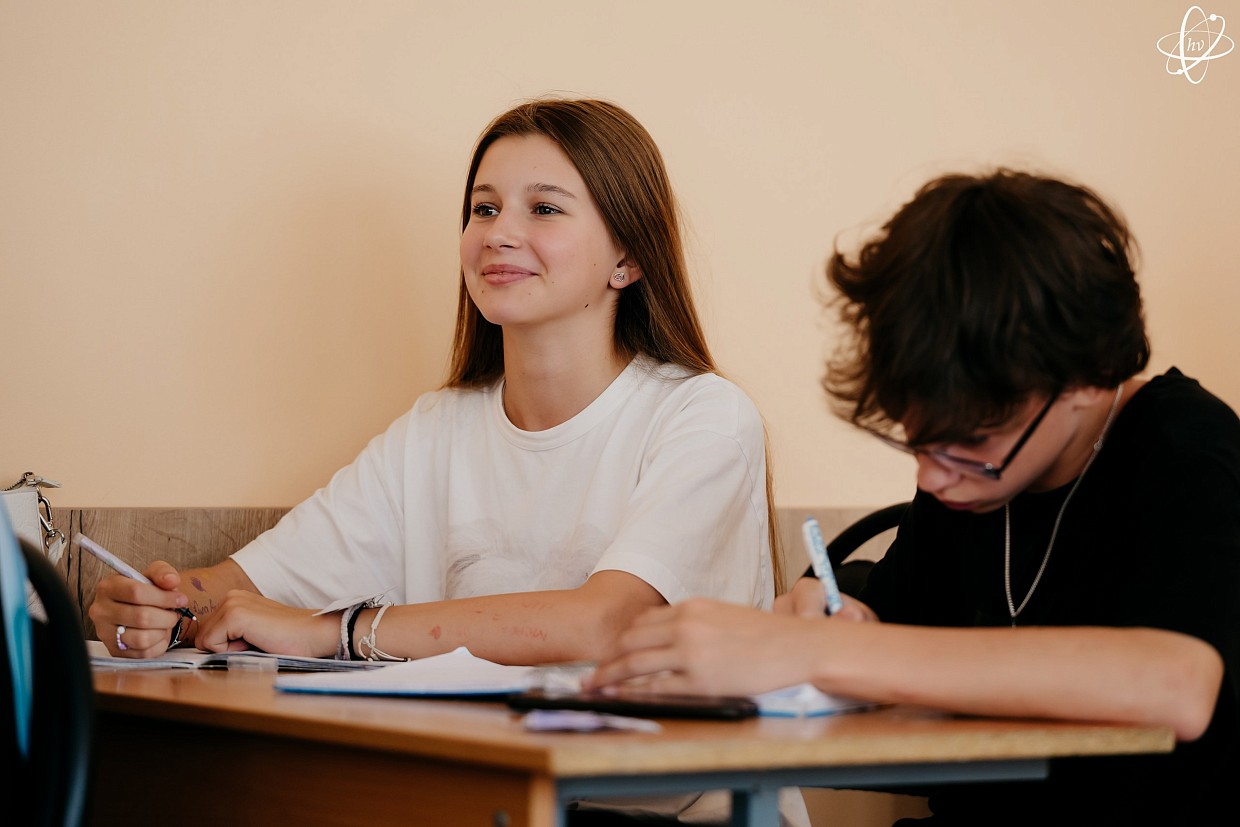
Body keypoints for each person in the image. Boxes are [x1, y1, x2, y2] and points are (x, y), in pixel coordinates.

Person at [89, 96, 803, 826]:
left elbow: (605, 623)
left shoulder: (706, 417)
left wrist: (333, 630)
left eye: (544, 209)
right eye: (484, 209)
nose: (500, 234)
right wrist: (156, 606)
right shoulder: (437, 428)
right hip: (496, 804)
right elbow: (244, 589)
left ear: (628, 258)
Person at [589, 169, 1240, 825]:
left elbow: (1177, 682)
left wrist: (823, 653)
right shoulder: (970, 483)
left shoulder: (1187, 450)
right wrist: (828, 612)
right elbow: (885, 622)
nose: (932, 478)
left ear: (1088, 380)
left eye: (969, 441)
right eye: (919, 443)